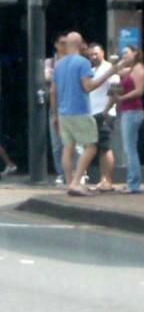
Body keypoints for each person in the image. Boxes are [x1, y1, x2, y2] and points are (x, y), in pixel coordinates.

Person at [50, 32, 121, 196]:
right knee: (91, 147)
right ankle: (76, 183)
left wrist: (55, 115)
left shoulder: (59, 65)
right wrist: (109, 73)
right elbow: (88, 86)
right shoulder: (83, 63)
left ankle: (69, 182)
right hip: (80, 111)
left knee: (68, 148)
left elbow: (53, 91)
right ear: (81, 44)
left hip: (63, 112)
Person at [104, 45, 144, 194]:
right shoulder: (131, 69)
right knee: (129, 147)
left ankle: (133, 183)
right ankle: (132, 181)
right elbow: (114, 74)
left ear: (135, 53)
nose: (124, 55)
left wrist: (121, 98)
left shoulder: (139, 69)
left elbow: (139, 90)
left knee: (130, 148)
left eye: (126, 53)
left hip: (133, 111)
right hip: (128, 111)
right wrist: (118, 64)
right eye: (123, 53)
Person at [87, 43, 121, 191]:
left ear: (103, 53)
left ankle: (108, 180)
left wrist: (106, 111)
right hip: (93, 113)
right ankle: (103, 179)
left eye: (96, 53)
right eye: (91, 55)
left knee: (105, 147)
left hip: (105, 113)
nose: (93, 57)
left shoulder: (109, 69)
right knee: (100, 147)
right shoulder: (92, 70)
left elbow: (115, 91)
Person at [45, 33, 68, 185]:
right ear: (55, 44)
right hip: (55, 105)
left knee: (73, 142)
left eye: (66, 43)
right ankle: (61, 172)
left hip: (70, 104)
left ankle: (74, 172)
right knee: (57, 143)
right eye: (61, 43)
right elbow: (46, 77)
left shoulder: (72, 60)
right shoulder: (50, 62)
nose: (64, 46)